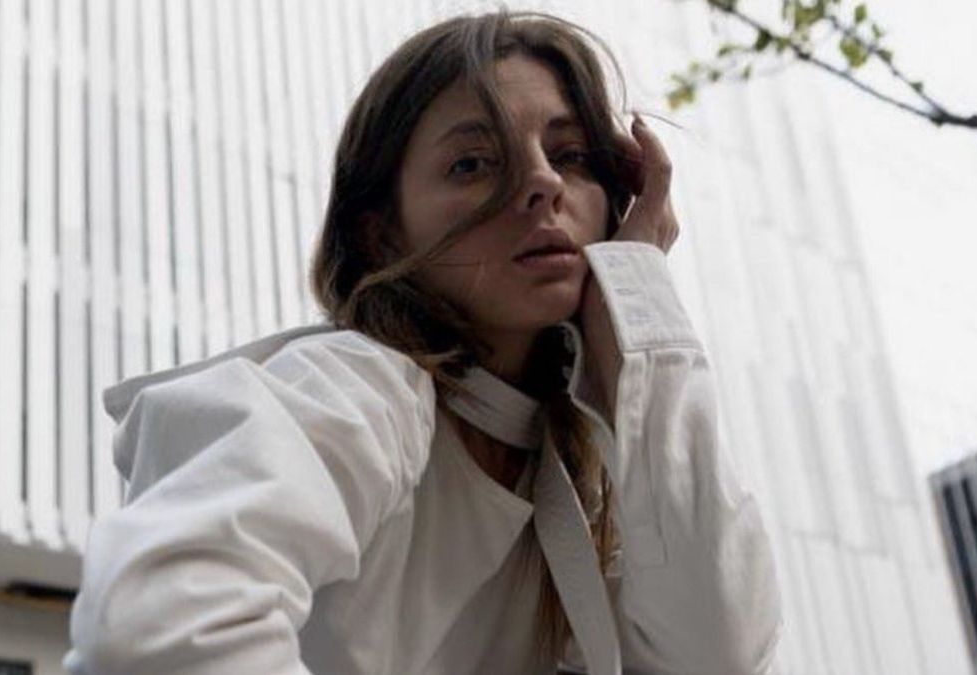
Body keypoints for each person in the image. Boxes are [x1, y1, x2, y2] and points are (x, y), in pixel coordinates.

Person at [64, 9, 783, 675]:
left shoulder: (574, 475)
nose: (541, 182)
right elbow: (160, 626)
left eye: (570, 155)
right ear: (382, 232)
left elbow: (716, 653)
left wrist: (634, 304)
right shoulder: (351, 387)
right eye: (474, 163)